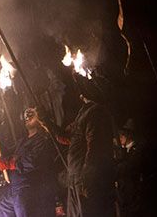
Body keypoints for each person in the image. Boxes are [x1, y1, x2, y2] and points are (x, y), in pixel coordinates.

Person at [61, 77, 115, 217]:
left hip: (84, 179)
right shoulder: (84, 112)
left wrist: (87, 177)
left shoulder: (96, 112)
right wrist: (45, 120)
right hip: (75, 177)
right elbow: (66, 137)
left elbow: (95, 147)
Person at [0, 107, 57, 217]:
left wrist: (13, 163)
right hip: (15, 188)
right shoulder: (22, 141)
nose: (27, 117)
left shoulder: (44, 139)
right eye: (26, 115)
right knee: (0, 200)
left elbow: (33, 161)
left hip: (31, 189)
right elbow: (5, 155)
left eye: (32, 114)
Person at [115, 119, 143, 217]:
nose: (120, 137)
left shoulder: (136, 149)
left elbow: (131, 165)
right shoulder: (124, 151)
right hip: (125, 195)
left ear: (128, 135)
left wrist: (114, 169)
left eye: (122, 135)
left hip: (134, 193)